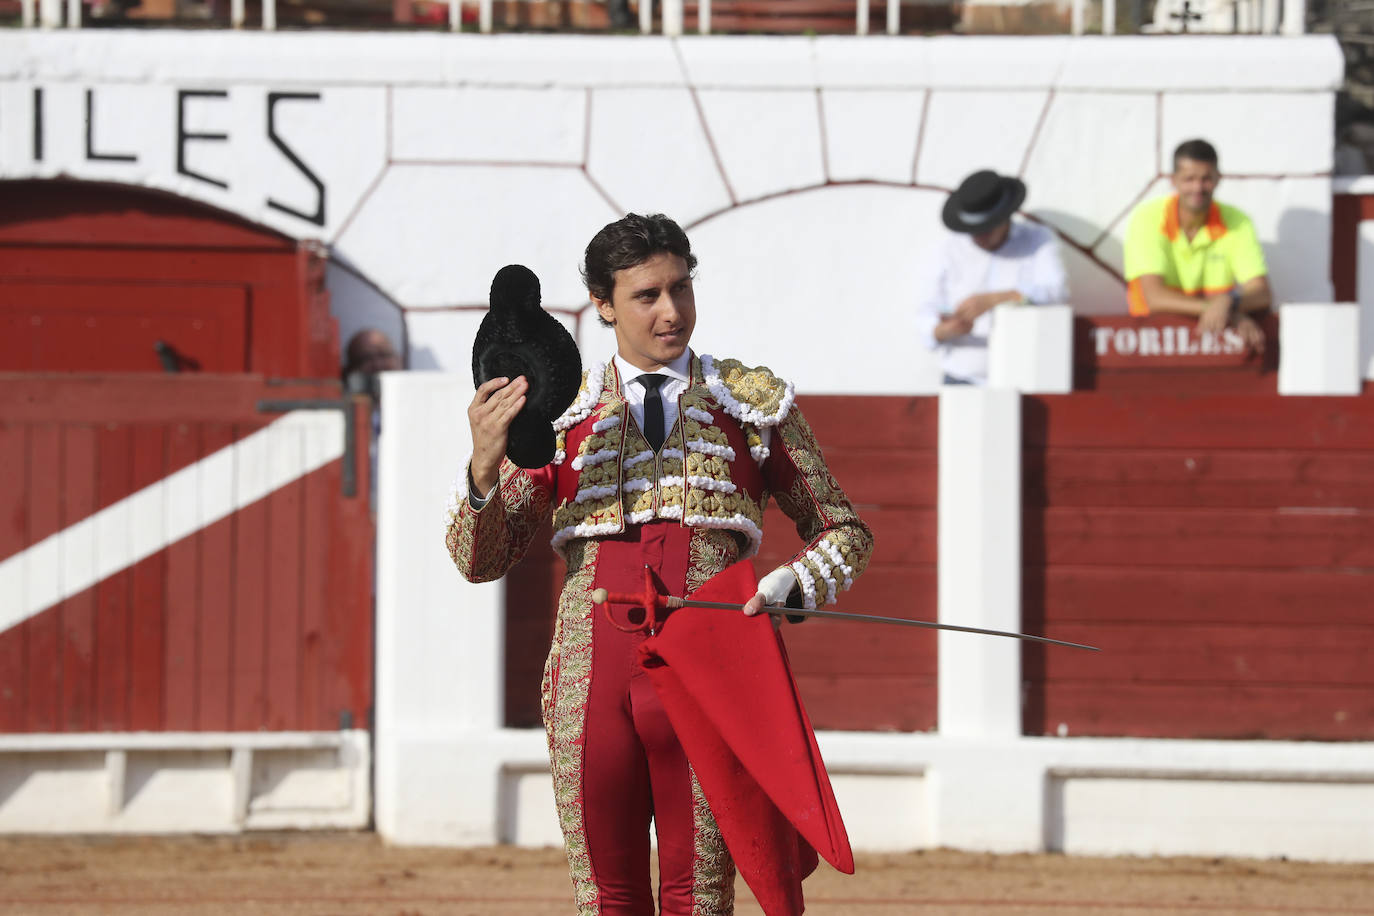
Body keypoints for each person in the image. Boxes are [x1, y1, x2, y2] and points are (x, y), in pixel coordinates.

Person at [445, 213, 874, 916]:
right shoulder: (561, 417)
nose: (671, 312)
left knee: (699, 896)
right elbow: (478, 559)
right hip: (592, 675)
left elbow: (845, 530)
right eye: (647, 295)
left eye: (681, 288)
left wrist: (798, 582)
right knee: (606, 897)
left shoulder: (752, 406)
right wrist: (483, 465)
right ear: (603, 303)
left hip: (712, 668)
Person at [915, 169, 1069, 386]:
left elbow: (1058, 292)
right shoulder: (948, 249)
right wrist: (942, 331)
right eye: (973, 230)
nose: (979, 237)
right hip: (963, 377)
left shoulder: (1037, 240)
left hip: (1025, 377)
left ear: (1005, 218)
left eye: (985, 230)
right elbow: (927, 310)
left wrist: (1001, 298)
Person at [1123, 139, 1271, 352]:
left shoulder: (1238, 221)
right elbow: (1154, 298)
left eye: (1206, 179)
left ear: (1218, 179)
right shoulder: (1148, 218)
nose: (1198, 187)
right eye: (1189, 179)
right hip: (1151, 346)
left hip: (1210, 346)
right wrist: (1225, 309)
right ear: (1174, 180)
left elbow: (1262, 293)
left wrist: (1229, 302)